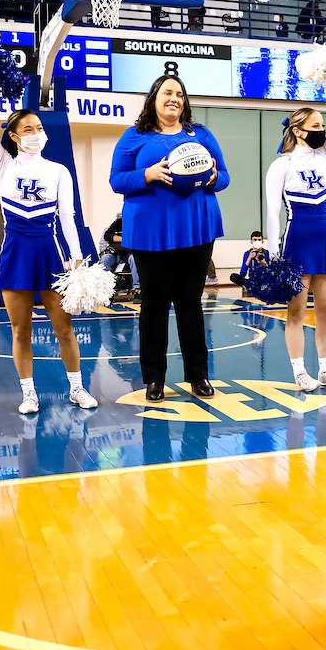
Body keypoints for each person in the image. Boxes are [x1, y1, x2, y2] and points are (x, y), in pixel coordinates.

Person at [0, 67, 96, 413]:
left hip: (49, 251)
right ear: (13, 136)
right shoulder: (2, 165)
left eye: (39, 128)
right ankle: (29, 393)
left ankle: (77, 388)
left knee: (65, 328)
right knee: (20, 330)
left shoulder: (59, 171)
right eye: (28, 129)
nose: (36, 134)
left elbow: (69, 217)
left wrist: (75, 256)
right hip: (15, 252)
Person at [110, 74, 229, 403]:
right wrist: (147, 175)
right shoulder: (134, 137)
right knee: (154, 306)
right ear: (154, 99)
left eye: (179, 93)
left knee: (190, 304)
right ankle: (154, 379)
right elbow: (116, 180)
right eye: (167, 93)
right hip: (151, 232)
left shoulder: (201, 134)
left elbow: (225, 175)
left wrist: (215, 177)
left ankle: (199, 376)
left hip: (197, 229)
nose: (174, 98)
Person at [264, 70, 326, 391]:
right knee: (296, 311)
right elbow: (273, 212)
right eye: (315, 127)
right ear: (297, 131)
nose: (322, 131)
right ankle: (300, 371)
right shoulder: (281, 165)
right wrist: (274, 256)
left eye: (322, 126)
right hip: (297, 241)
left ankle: (325, 370)